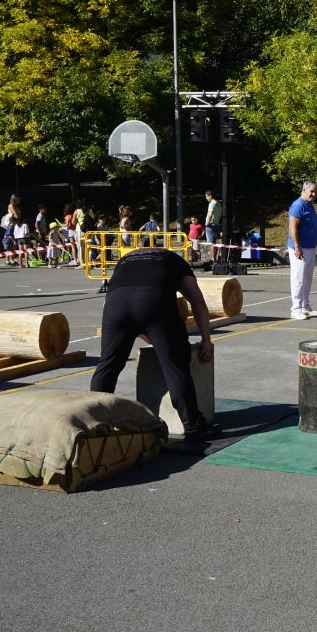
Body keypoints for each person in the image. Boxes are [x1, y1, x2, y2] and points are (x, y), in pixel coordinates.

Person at [90, 247, 216, 452]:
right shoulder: (177, 261)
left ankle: (94, 424)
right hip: (153, 301)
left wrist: (143, 333)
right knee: (175, 364)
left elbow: (123, 305)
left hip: (114, 305)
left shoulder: (126, 259)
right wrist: (206, 340)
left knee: (109, 364)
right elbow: (197, 301)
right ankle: (193, 426)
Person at [287, 180, 317, 320]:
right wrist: (297, 246)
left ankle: (305, 307)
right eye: (311, 191)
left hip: (310, 247)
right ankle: (295, 309)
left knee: (307, 279)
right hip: (300, 248)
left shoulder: (310, 206)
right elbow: (292, 226)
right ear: (304, 190)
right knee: (298, 279)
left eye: (315, 192)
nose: (313, 194)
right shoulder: (298, 205)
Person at [204, 190, 223, 260]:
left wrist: (207, 223)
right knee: (214, 242)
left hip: (211, 225)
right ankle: (215, 257)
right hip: (216, 224)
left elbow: (210, 214)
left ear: (210, 196)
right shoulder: (218, 204)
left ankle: (213, 259)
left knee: (211, 243)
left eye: (206, 196)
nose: (206, 198)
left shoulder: (211, 204)